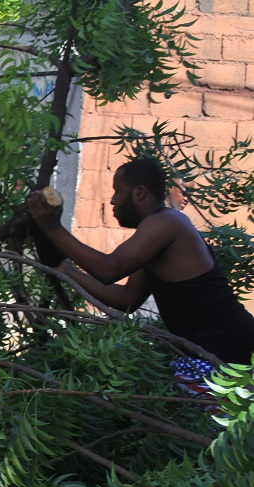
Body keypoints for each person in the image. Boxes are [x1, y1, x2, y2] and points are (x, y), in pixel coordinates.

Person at [28, 158, 254, 392]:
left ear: (139, 193)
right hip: (209, 351)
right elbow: (127, 298)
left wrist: (52, 228)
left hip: (228, 351)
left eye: (118, 191)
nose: (113, 200)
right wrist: (66, 270)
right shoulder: (157, 233)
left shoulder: (167, 222)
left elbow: (109, 269)